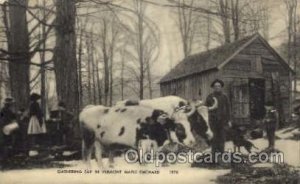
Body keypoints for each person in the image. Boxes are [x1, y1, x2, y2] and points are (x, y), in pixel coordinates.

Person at [205, 79, 231, 163]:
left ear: (221, 87)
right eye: (215, 86)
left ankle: (221, 156)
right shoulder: (210, 97)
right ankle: (213, 158)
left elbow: (228, 109)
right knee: (214, 139)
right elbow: (206, 109)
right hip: (213, 121)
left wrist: (229, 120)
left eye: (219, 86)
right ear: (213, 87)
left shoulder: (225, 97)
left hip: (223, 121)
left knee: (222, 138)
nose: (217, 87)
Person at [0, 98, 17, 162]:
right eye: (10, 104)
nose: (10, 105)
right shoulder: (6, 110)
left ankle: (5, 156)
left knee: (6, 141)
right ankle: (5, 157)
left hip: (5, 126)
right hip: (6, 127)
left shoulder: (3, 110)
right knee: (6, 141)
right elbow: (13, 117)